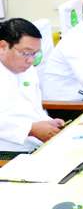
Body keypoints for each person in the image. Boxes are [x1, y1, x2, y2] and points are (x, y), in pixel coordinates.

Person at [0, 18, 65, 154]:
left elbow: (34, 109)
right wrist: (30, 129)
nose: (30, 60)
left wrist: (49, 122)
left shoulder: (28, 69)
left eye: (35, 53)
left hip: (35, 145)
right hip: (7, 152)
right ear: (3, 46)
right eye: (25, 53)